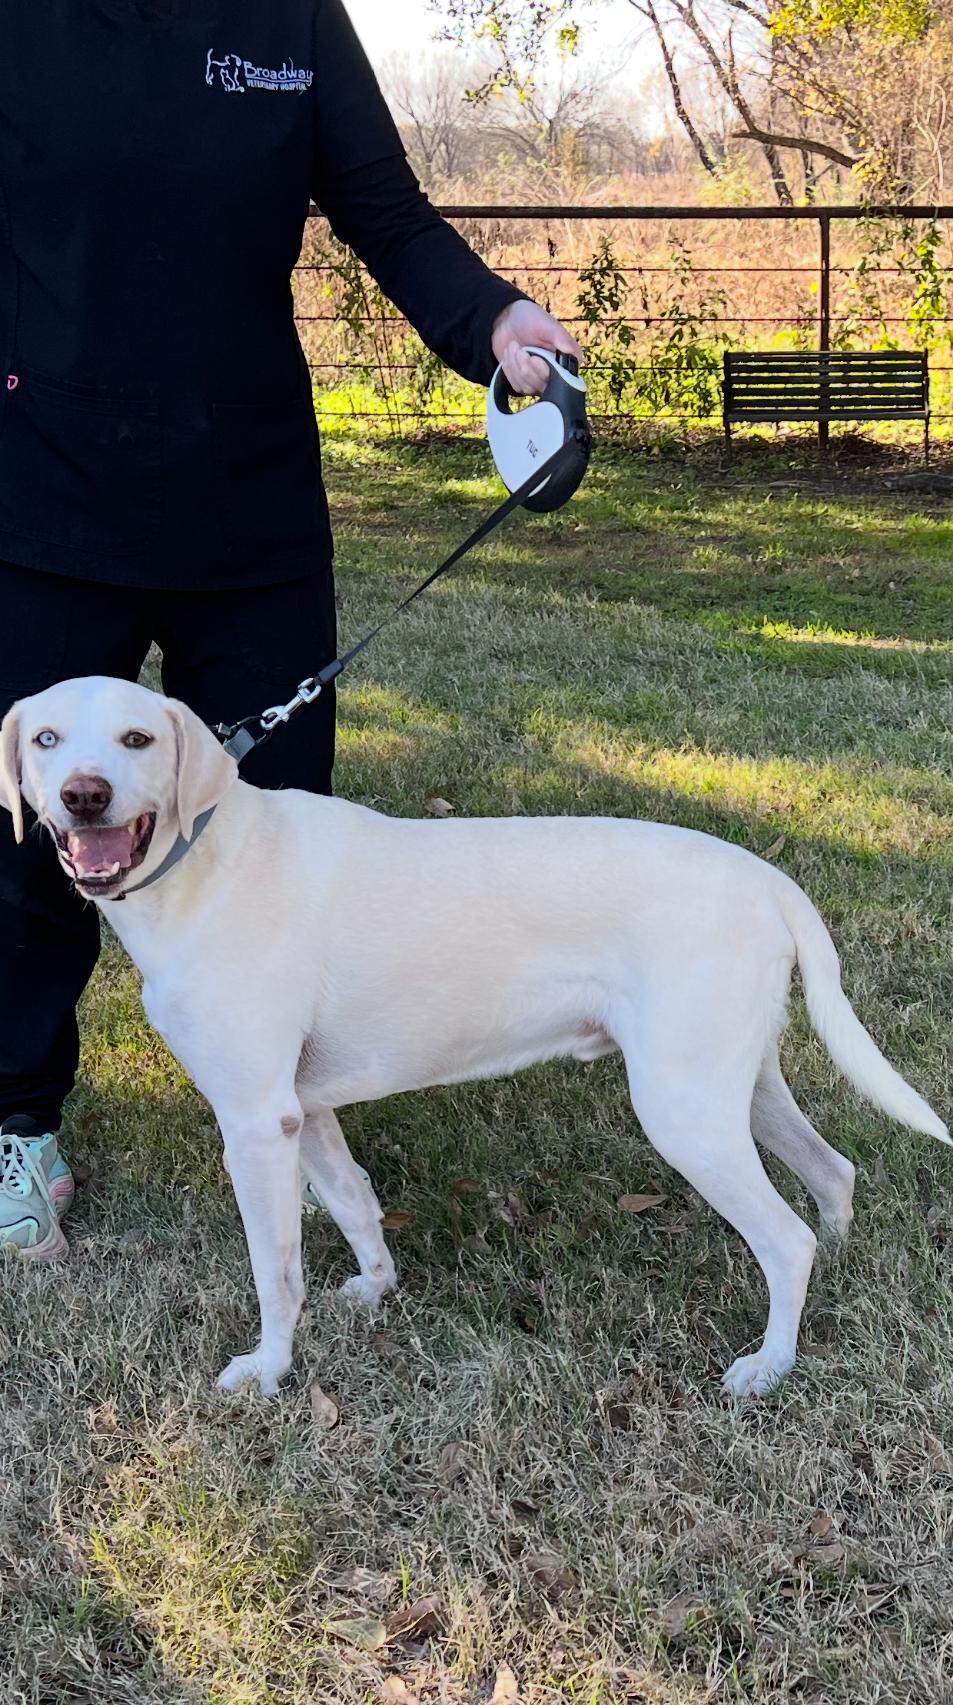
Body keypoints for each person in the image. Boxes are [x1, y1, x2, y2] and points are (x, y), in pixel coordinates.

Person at [0, 0, 579, 1262]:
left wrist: (490, 321)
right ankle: (17, 1124)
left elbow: (386, 209)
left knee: (272, 838)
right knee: (43, 836)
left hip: (248, 509)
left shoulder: (294, 21)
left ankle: (291, 1108)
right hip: (42, 498)